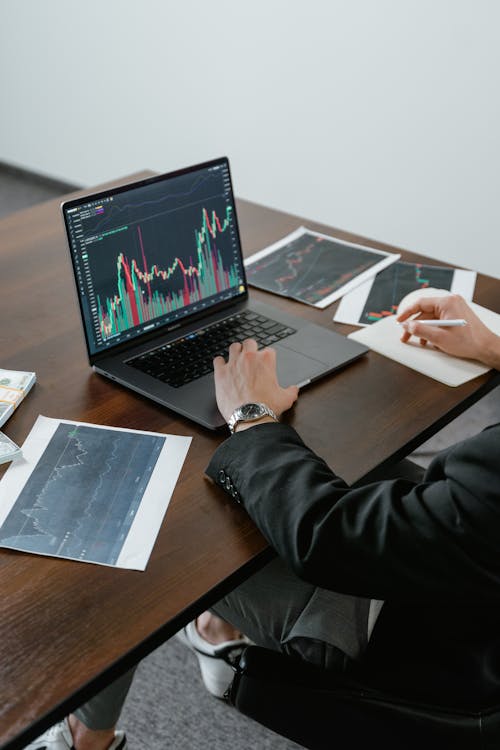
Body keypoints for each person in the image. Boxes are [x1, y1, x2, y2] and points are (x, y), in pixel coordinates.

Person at [27, 294, 500, 749]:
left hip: (428, 642)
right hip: (456, 576)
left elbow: (329, 537)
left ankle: (85, 740)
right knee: (311, 453)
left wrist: (251, 416)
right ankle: (219, 632)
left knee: (135, 507)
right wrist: (491, 346)